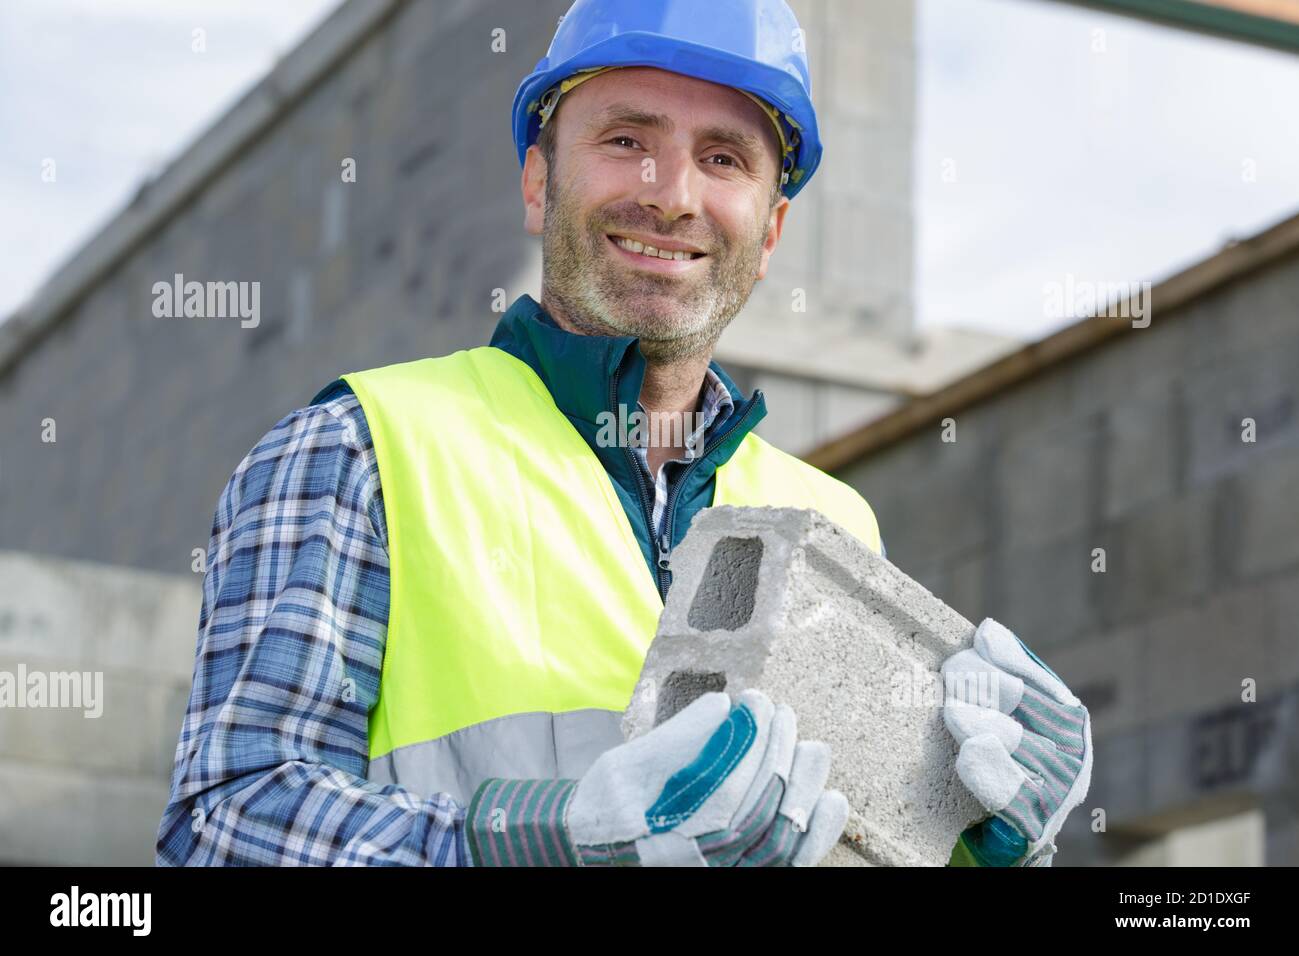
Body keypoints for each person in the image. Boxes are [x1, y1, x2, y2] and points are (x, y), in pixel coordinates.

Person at [156, 0, 1089, 867]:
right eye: (627, 139)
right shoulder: (362, 451)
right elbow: (226, 823)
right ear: (537, 179)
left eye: (724, 158)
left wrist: (976, 842)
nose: (673, 193)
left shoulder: (833, 523)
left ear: (769, 234)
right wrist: (549, 840)